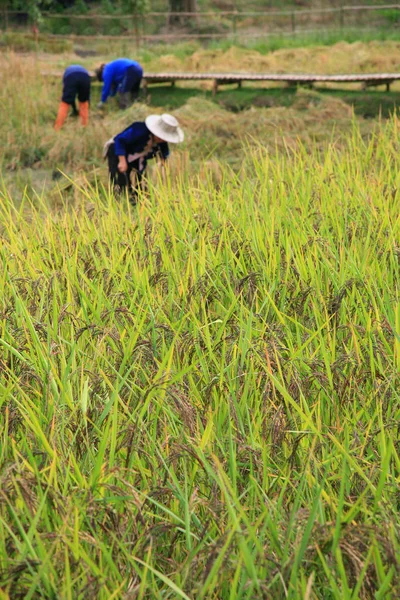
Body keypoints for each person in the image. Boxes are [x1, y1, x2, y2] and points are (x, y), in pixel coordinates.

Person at [104, 113, 184, 203]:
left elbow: (164, 154)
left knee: (140, 179)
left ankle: (137, 201)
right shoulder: (139, 130)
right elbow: (119, 140)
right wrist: (122, 161)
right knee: (120, 177)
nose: (162, 140)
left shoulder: (162, 142)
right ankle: (120, 201)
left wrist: (163, 165)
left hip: (137, 157)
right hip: (118, 151)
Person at [54, 65, 90, 130]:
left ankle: (57, 127)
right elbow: (87, 98)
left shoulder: (66, 75)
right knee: (84, 103)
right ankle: (84, 126)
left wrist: (74, 108)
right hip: (85, 77)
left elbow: (70, 98)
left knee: (65, 104)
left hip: (71, 77)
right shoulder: (81, 69)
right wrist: (75, 109)